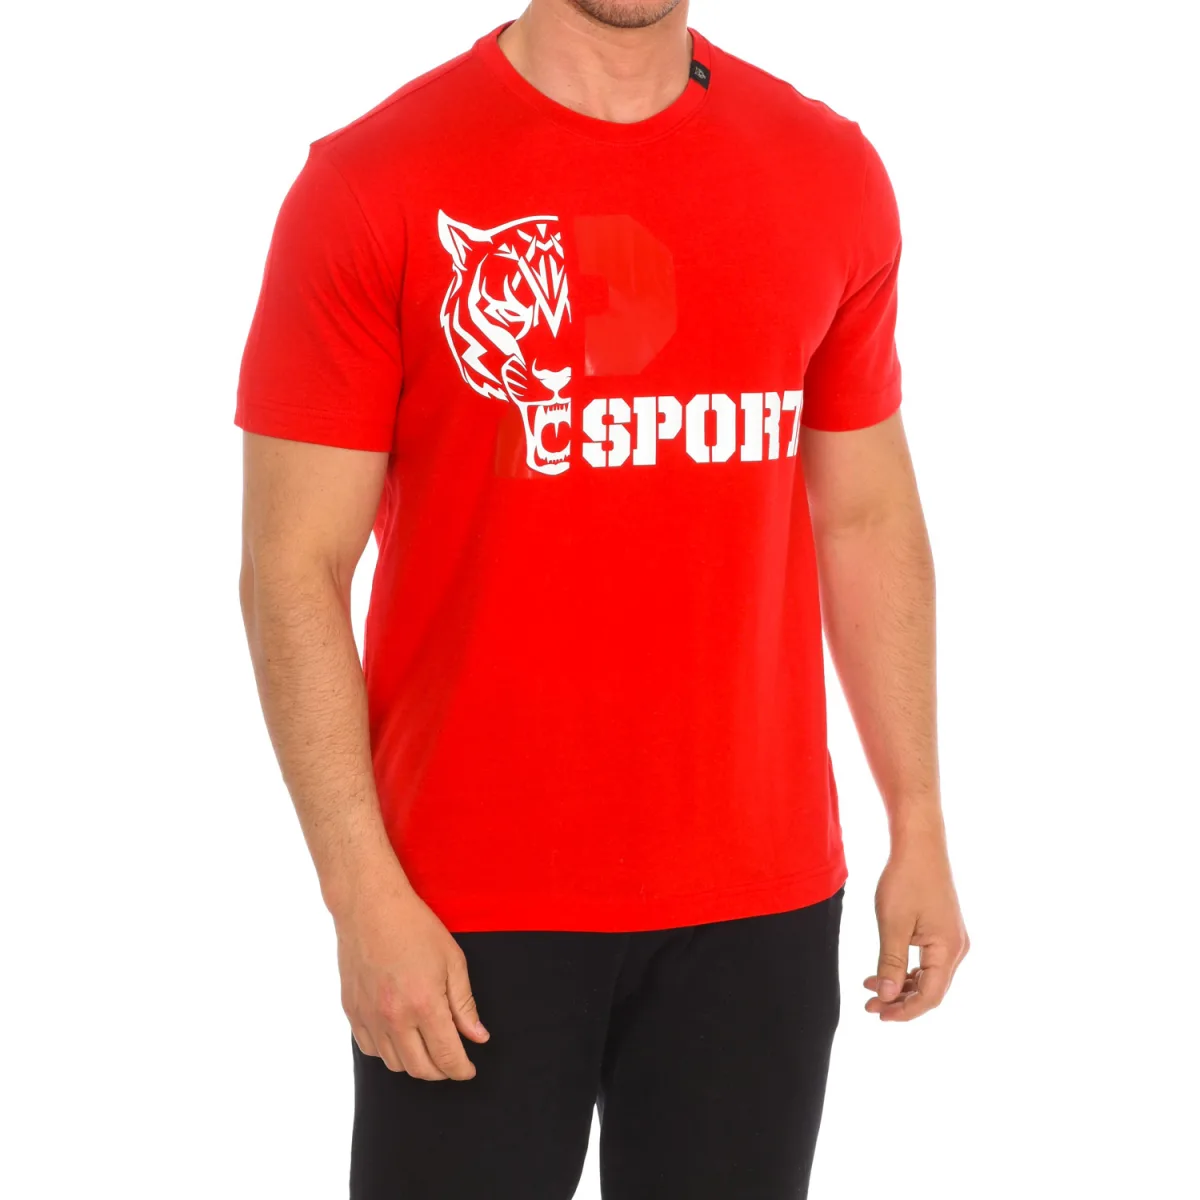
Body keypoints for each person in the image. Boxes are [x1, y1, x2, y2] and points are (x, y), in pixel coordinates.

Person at [235, 1, 969, 1195]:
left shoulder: (826, 173)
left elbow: (866, 514)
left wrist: (919, 821)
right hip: (462, 908)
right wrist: (360, 894)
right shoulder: (374, 182)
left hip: (761, 900)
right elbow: (292, 569)